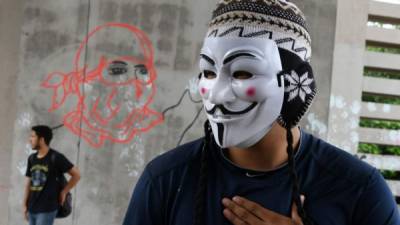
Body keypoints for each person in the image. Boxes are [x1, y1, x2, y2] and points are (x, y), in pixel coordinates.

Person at [123, 0, 400, 224]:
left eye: (242, 72)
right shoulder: (164, 182)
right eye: (208, 72)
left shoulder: (361, 191)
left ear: (294, 83)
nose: (216, 94)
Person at [23, 125, 81, 225]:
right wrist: (24, 204)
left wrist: (64, 192)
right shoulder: (31, 158)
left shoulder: (56, 157)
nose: (30, 140)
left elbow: (77, 175)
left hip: (47, 208)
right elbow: (29, 183)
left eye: (32, 136)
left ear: (41, 139)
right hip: (32, 207)